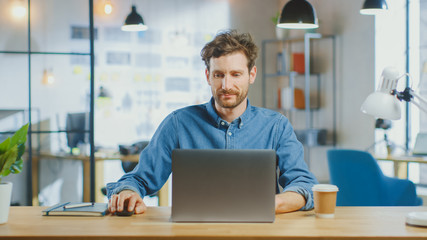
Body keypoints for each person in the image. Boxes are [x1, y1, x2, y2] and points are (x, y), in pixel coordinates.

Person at [107, 29, 318, 215]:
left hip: (259, 231)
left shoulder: (277, 126)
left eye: (236, 74)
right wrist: (128, 193)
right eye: (219, 75)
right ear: (208, 76)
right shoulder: (178, 123)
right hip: (192, 233)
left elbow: (304, 186)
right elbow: (139, 179)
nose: (226, 85)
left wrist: (274, 203)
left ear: (251, 75)